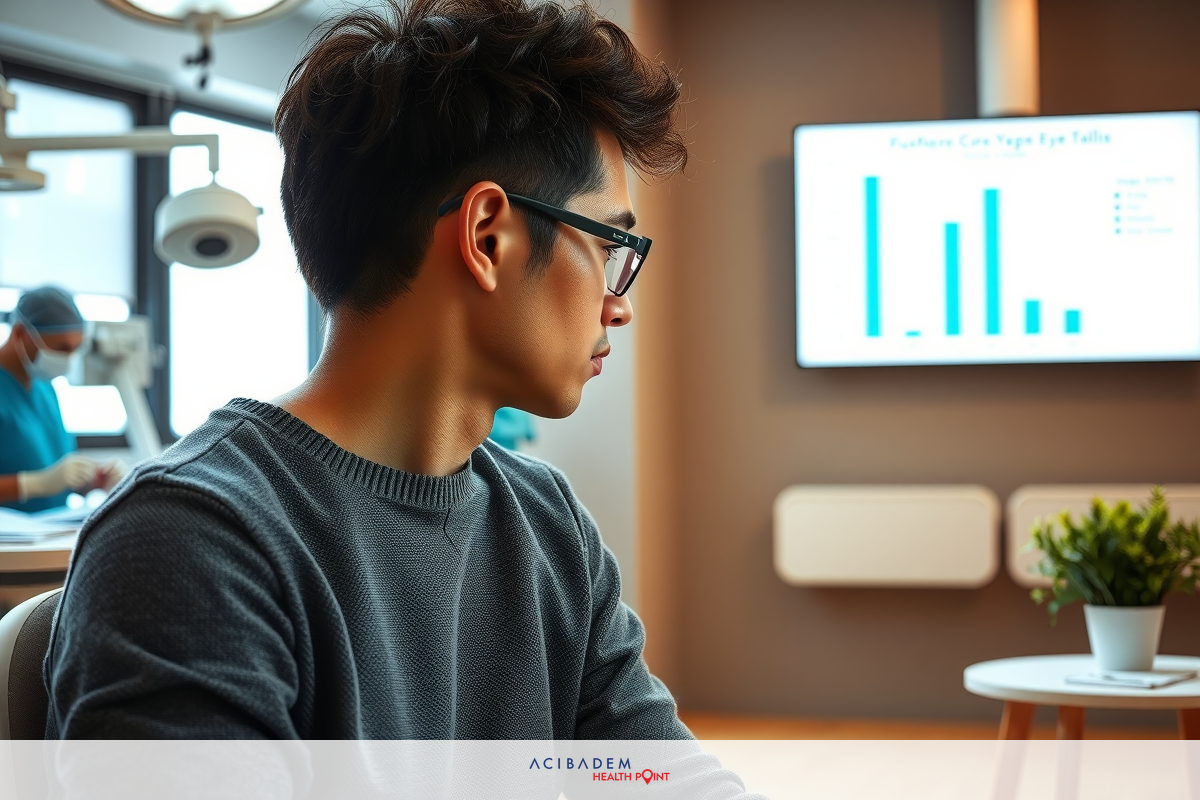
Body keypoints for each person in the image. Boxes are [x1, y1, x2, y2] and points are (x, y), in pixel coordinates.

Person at [45, 1, 742, 773]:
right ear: (487, 238)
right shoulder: (192, 543)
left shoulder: (548, 530)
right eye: (610, 243)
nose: (622, 301)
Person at [0, 287, 123, 513]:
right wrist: (31, 484)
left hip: (51, 534)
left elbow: (55, 472)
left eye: (76, 348)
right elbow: (44, 480)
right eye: (62, 347)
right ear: (19, 333)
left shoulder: (45, 388)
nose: (68, 359)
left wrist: (90, 480)